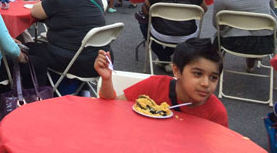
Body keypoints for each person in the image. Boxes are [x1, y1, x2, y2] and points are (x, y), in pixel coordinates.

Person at [94, 38, 228, 127]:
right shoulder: (155, 86)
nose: (206, 83)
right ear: (177, 71)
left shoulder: (216, 113)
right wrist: (106, 79)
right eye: (198, 74)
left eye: (213, 77)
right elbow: (113, 106)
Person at [28, 0, 108, 78]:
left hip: (71, 61)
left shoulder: (57, 1)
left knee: (30, 48)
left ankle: (43, 89)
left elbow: (34, 11)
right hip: (100, 61)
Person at [140, 0, 207, 69]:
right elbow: (203, 10)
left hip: (161, 33)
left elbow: (146, 11)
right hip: (188, 33)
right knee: (177, 25)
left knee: (143, 23)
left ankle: (164, 58)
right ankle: (167, 58)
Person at [212, 0, 276, 72]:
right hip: (264, 43)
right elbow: (271, 9)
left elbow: (217, 24)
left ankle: (215, 69)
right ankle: (251, 63)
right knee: (254, 29)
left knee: (220, 36)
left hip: (232, 43)